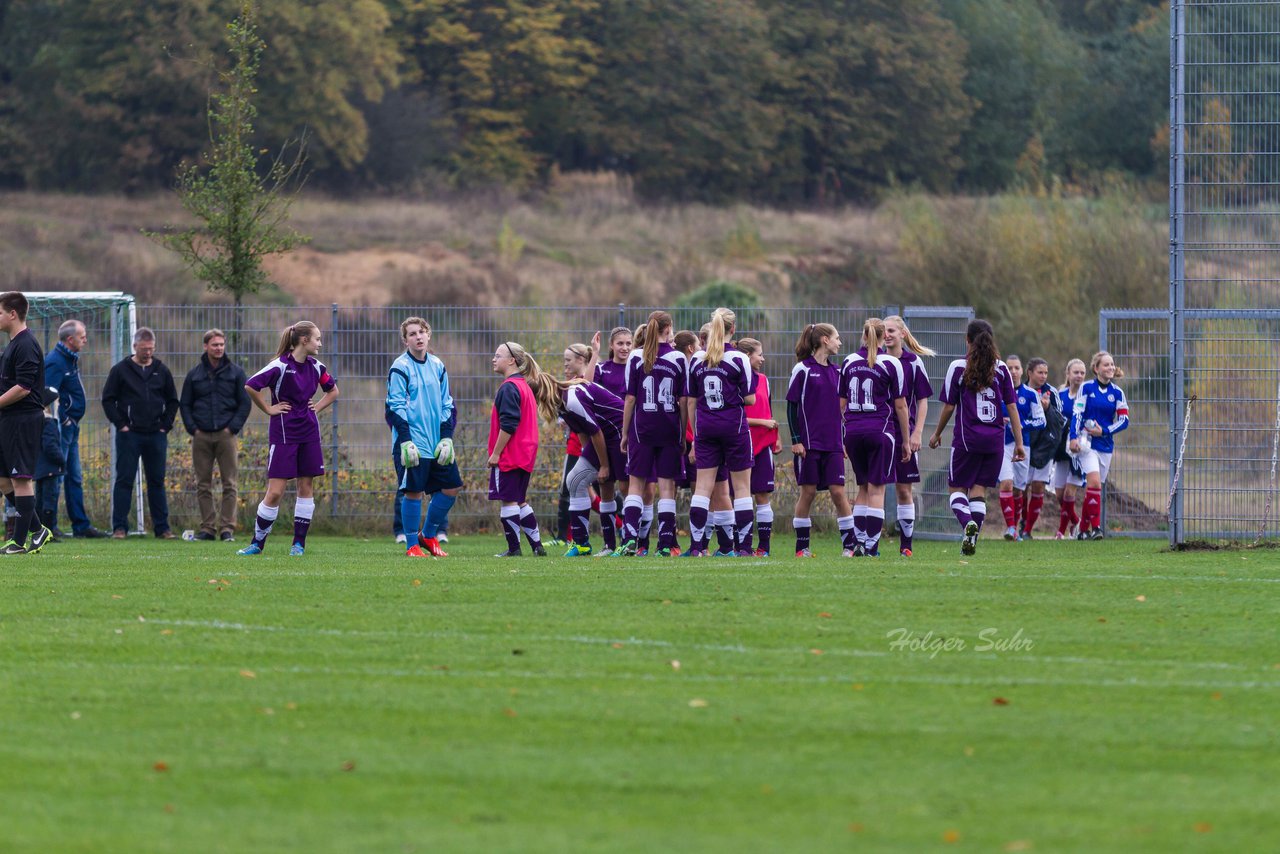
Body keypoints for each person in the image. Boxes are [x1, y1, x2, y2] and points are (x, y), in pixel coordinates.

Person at [238, 321, 339, 556]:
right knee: (275, 492)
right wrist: (268, 408)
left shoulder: (316, 367)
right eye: (317, 339)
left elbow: (333, 391)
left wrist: (317, 408)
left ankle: (298, 544)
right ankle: (257, 543)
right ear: (304, 340)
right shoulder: (280, 366)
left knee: (306, 486)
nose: (320, 344)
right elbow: (251, 385)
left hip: (309, 434)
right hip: (283, 435)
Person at [929, 319, 1024, 556]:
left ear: (967, 340)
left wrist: (937, 433)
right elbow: (1011, 408)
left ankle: (967, 524)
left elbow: (949, 407)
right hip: (994, 442)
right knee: (979, 490)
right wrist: (1020, 443)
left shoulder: (959, 367)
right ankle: (971, 539)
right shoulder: (1001, 369)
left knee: (956, 489)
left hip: (967, 440)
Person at [529, 348, 626, 557]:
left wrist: (604, 465)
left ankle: (629, 544)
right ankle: (585, 544)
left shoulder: (571, 399)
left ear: (542, 395)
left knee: (616, 486)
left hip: (618, 433)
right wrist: (587, 456)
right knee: (575, 479)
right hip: (603, 436)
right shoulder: (561, 403)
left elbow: (597, 432)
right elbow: (583, 432)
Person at [387, 316, 461, 558]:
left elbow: (447, 404)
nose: (418, 337)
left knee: (451, 487)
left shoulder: (438, 365)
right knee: (413, 492)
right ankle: (411, 545)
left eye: (421, 332)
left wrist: (447, 437)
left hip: (436, 441)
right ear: (405, 340)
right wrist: (406, 440)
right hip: (412, 442)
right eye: (412, 334)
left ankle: (428, 535)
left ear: (428, 335)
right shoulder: (400, 367)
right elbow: (394, 407)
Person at [839, 319, 912, 557]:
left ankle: (858, 543)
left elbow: (841, 404)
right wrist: (907, 440)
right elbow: (901, 406)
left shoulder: (849, 361)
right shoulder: (891, 363)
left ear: (863, 335)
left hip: (853, 431)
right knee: (876, 490)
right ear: (883, 337)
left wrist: (847, 430)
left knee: (862, 487)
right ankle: (871, 547)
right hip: (880, 432)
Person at [687, 308, 755, 557]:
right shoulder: (739, 358)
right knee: (742, 488)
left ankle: (696, 547)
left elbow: (691, 401)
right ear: (732, 329)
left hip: (705, 427)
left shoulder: (696, 359)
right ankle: (744, 548)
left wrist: (696, 434)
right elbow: (749, 398)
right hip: (734, 427)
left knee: (703, 489)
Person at [619, 311, 688, 556]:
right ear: (668, 328)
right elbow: (683, 400)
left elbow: (630, 398)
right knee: (667, 487)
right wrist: (682, 434)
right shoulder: (679, 357)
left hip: (642, 428)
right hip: (669, 427)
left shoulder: (636, 356)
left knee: (636, 485)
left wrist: (625, 433)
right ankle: (665, 544)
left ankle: (629, 540)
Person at [101, 327, 179, 540]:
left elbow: (172, 401)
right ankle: (119, 528)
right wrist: (121, 424)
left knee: (156, 481)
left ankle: (162, 528)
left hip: (156, 434)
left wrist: (165, 425)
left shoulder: (161, 370)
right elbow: (108, 399)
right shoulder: (120, 370)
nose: (148, 353)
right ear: (135, 346)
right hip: (129, 434)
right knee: (124, 480)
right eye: (144, 349)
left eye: (151, 349)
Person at [789, 323, 855, 557]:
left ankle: (850, 546)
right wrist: (796, 440)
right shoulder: (802, 370)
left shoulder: (838, 372)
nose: (840, 342)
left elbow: (841, 412)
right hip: (809, 445)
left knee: (839, 492)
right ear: (825, 340)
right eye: (837, 338)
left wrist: (843, 441)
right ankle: (802, 548)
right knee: (808, 493)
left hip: (834, 445)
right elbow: (791, 406)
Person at [180, 329, 252, 542]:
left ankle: (227, 528)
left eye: (221, 344)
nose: (219, 348)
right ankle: (208, 529)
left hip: (226, 435)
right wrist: (193, 429)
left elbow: (245, 403)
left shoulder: (236, 373)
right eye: (214, 345)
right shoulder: (194, 375)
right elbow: (185, 404)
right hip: (201, 436)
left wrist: (233, 428)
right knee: (203, 484)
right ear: (205, 347)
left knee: (230, 483)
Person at [0, 291, 54, 554]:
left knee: (21, 479)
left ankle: (18, 543)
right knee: (3, 480)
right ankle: (38, 529)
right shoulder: (11, 344)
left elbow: (23, 387)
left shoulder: (26, 344)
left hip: (23, 419)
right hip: (8, 419)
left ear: (12, 314)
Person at [44, 319, 106, 538]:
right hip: (62, 429)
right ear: (70, 339)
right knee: (57, 475)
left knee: (74, 477)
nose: (86, 339)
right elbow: (48, 395)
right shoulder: (56, 361)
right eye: (82, 336)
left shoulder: (70, 360)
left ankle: (81, 525)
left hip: (72, 428)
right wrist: (64, 420)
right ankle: (48, 526)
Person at [487, 341, 547, 557]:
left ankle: (514, 549)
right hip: (526, 453)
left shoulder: (509, 387)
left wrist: (495, 453)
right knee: (520, 500)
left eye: (498, 355)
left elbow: (509, 424)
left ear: (511, 360)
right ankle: (537, 546)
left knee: (509, 500)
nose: (494, 359)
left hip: (511, 454)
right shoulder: (524, 385)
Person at [882, 315, 934, 557]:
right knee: (873, 488)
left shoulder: (913, 363)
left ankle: (906, 546)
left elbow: (923, 402)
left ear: (902, 334)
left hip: (904, 433)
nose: (887, 334)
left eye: (891, 330)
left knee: (904, 490)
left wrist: (917, 432)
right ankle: (865, 544)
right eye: (883, 330)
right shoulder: (875, 360)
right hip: (879, 433)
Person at [1069, 350, 1129, 540]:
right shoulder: (1086, 388)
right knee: (1093, 482)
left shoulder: (1117, 393)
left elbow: (1124, 420)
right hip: (1086, 443)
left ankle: (1083, 529)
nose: (1110, 367)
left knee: (1093, 488)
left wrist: (1104, 431)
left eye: (1112, 364)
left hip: (1105, 445)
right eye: (1106, 364)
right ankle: (1096, 528)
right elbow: (1077, 414)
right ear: (1096, 368)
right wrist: (1073, 437)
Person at [737, 338, 780, 556]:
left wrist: (776, 436)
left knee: (762, 495)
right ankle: (740, 545)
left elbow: (768, 409)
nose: (762, 359)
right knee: (739, 495)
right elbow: (736, 415)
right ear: (747, 356)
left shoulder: (763, 380)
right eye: (759, 354)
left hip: (763, 445)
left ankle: (763, 548)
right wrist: (762, 423)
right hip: (740, 443)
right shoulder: (735, 379)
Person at [1019, 357, 1061, 539]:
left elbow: (1060, 420)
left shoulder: (1051, 392)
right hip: (1025, 445)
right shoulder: (1021, 391)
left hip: (1045, 448)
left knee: (1038, 487)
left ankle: (1028, 530)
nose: (1044, 376)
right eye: (1040, 372)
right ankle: (1020, 524)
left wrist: (1047, 408)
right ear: (1029, 373)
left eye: (1046, 372)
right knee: (1021, 487)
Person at [1053, 359, 1088, 539]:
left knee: (1069, 492)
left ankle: (1061, 532)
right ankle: (1076, 521)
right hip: (1061, 449)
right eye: (1076, 372)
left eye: (1082, 373)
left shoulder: (1087, 396)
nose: (1079, 376)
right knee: (1059, 494)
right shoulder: (1061, 395)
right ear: (1068, 374)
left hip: (1078, 448)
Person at [996, 354, 1025, 540]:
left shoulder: (1029, 394)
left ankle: (1018, 528)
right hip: (1002, 444)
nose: (1013, 372)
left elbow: (1041, 420)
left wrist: (1021, 425)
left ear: (1023, 371)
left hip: (1024, 445)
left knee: (1019, 489)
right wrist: (1001, 421)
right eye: (1009, 368)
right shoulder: (996, 391)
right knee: (1006, 483)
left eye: (1017, 368)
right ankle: (1011, 527)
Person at [34, 389, 64, 539]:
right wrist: (62, 460)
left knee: (39, 501)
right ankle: (48, 532)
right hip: (51, 468)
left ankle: (37, 531)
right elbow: (50, 446)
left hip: (39, 470)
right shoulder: (49, 422)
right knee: (49, 501)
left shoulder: (37, 423)